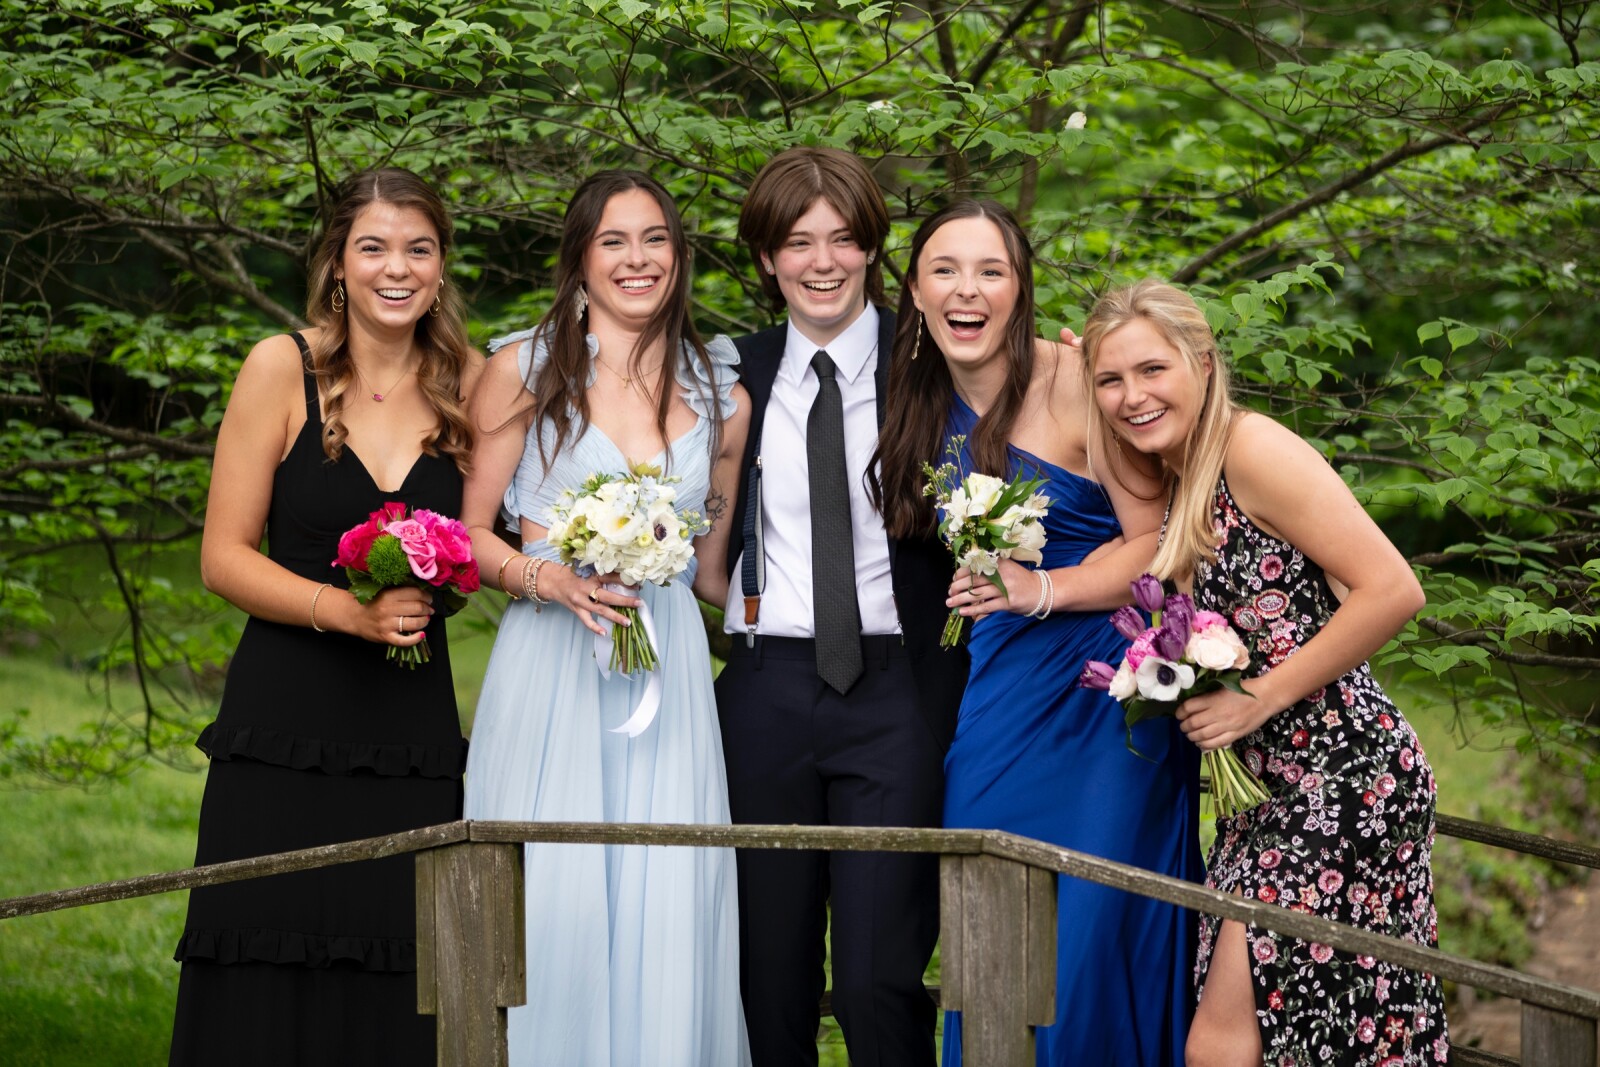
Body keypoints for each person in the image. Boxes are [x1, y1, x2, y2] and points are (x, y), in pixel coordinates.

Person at [1083, 278, 1449, 1066]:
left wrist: (1257, 697)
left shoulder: (1251, 450)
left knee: (1225, 1038)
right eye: (1110, 379)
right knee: (1289, 1039)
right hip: (1263, 796)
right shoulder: (1177, 478)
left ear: (1203, 362)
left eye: (1152, 369)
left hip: (1347, 776)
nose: (1132, 396)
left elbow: (1393, 589)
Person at [870, 201, 1202, 1065]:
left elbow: (1157, 544)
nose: (967, 289)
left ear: (1019, 290)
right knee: (990, 929)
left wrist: (1041, 589)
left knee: (1092, 938)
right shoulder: (917, 402)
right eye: (945, 270)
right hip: (1002, 698)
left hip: (1108, 697)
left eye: (992, 271)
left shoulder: (1077, 381)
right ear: (915, 291)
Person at [170, 167, 482, 1066]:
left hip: (409, 735)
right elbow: (222, 555)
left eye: (418, 249)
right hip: (283, 728)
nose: (397, 268)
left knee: (402, 969)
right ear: (337, 263)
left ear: (442, 265)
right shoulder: (281, 368)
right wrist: (344, 612)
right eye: (373, 247)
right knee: (265, 960)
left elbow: (498, 535)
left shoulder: (471, 383)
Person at [461, 170, 751, 1066]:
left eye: (656, 238)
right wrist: (548, 579)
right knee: (553, 899)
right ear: (580, 258)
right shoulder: (522, 371)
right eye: (614, 240)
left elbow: (712, 572)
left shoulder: (723, 396)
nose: (638, 258)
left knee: (670, 893)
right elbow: (469, 534)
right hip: (552, 665)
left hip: (668, 675)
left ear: (680, 255)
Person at [692, 146, 963, 1067]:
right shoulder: (729, 372)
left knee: (878, 978)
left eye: (844, 239)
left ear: (873, 250)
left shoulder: (932, 364)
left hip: (896, 690)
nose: (822, 262)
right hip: (764, 687)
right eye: (798, 242)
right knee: (768, 974)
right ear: (767, 256)